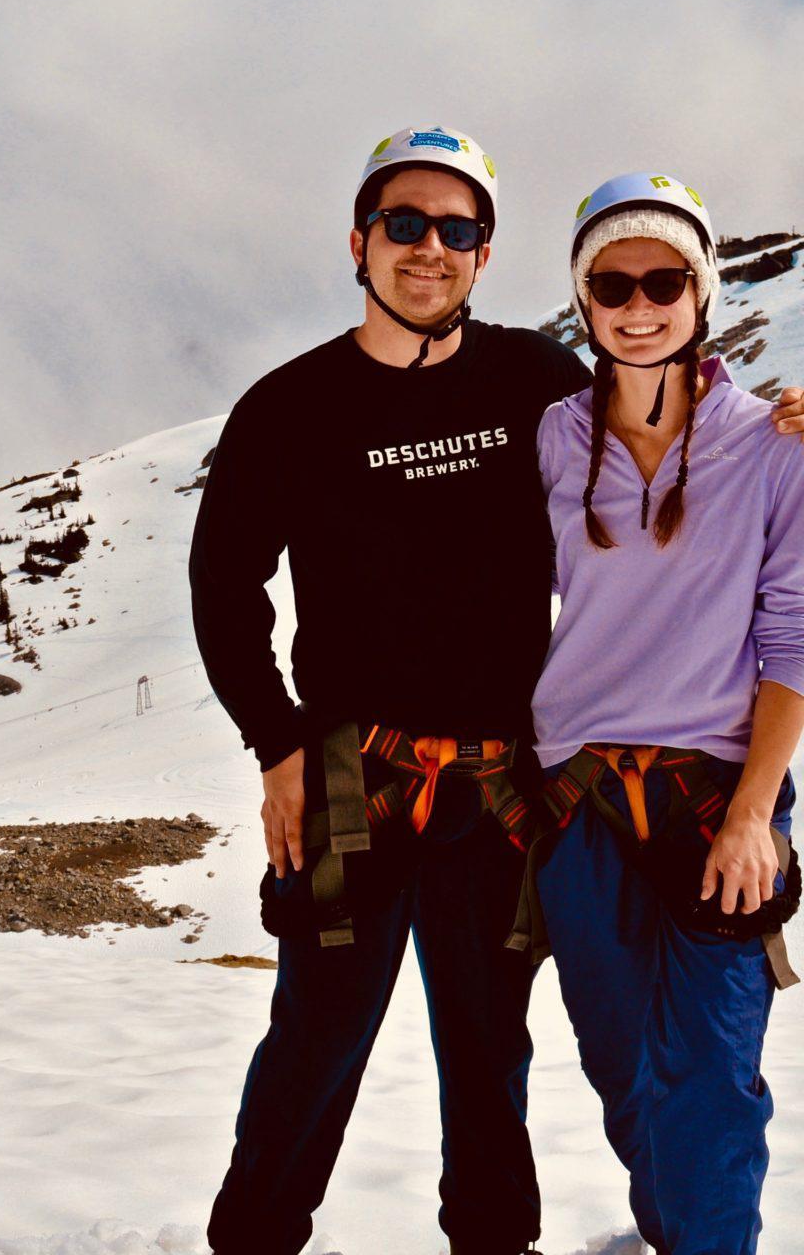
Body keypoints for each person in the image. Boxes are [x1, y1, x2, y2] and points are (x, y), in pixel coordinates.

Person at [187, 128, 804, 1255]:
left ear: (484, 252)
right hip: (342, 772)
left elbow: (660, 422)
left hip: (501, 779)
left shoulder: (534, 381)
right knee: (317, 1031)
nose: (429, 248)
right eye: (404, 224)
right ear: (358, 241)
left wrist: (782, 421)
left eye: (456, 228)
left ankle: (490, 1241)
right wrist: (274, 746)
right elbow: (221, 584)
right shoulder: (288, 405)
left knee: (485, 1041)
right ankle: (254, 1239)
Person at [510, 173, 804, 1255]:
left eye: (662, 280)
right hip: (578, 803)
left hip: (718, 797)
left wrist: (750, 815)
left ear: (701, 290)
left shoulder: (774, 445)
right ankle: (676, 1232)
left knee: (714, 1073)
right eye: (610, 282)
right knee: (620, 1060)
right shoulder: (545, 440)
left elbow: (793, 634)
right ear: (581, 300)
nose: (637, 304)